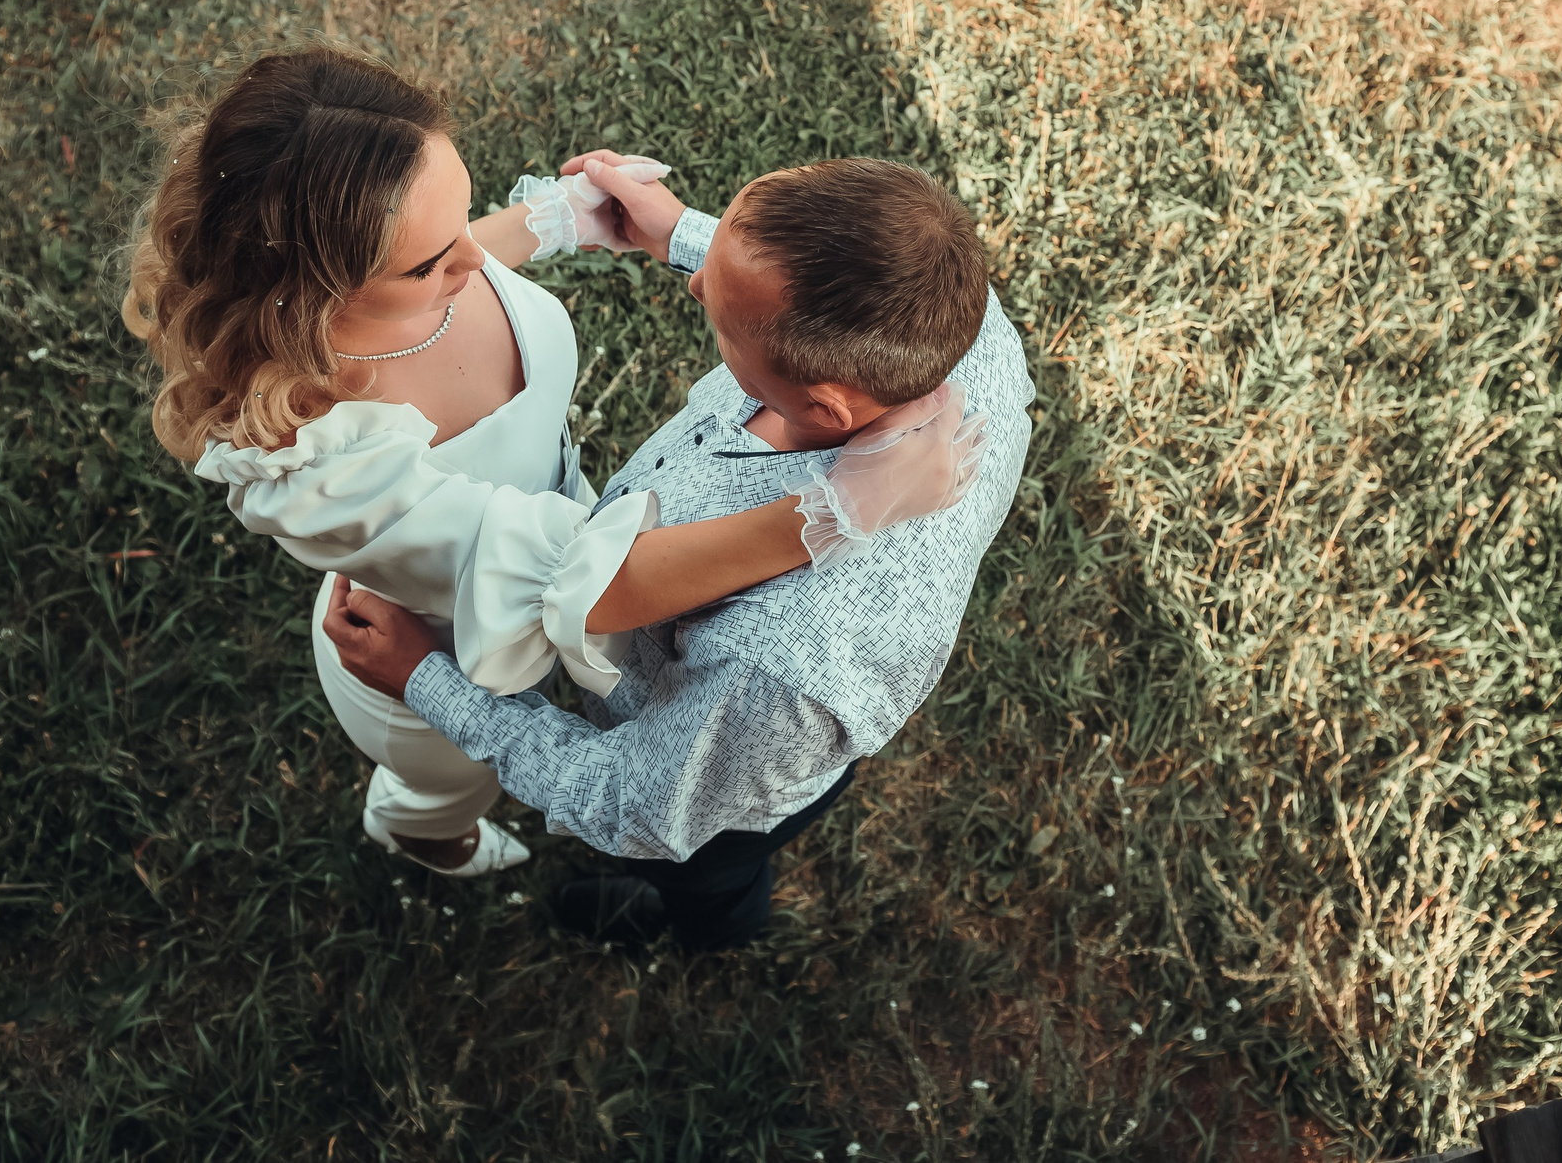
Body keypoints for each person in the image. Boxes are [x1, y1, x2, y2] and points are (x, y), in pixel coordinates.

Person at [123, 49, 984, 879]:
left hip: (564, 561)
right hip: (429, 642)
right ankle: (420, 833)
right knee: (454, 784)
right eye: (428, 262)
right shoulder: (314, 466)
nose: (473, 261)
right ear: (318, 296)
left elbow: (443, 263)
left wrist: (562, 218)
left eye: (463, 215)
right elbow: (587, 583)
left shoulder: (424, 275)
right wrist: (836, 509)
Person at [323, 153, 1033, 950]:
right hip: (734, 716)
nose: (696, 286)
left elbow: (630, 801)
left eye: (723, 316)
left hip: (723, 782)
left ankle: (708, 926)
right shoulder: (962, 327)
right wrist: (685, 235)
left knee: (705, 874)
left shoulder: (779, 661)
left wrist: (426, 677)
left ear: (825, 406)